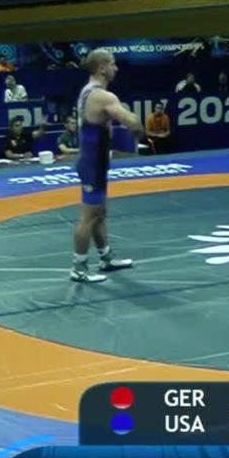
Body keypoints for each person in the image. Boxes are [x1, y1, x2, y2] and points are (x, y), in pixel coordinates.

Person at [70, 49, 145, 283]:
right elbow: (130, 121)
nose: (116, 68)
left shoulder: (89, 91)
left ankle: (105, 257)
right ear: (102, 67)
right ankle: (78, 268)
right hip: (92, 164)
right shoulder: (101, 96)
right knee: (89, 215)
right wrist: (139, 130)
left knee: (99, 213)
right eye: (112, 63)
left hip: (95, 161)